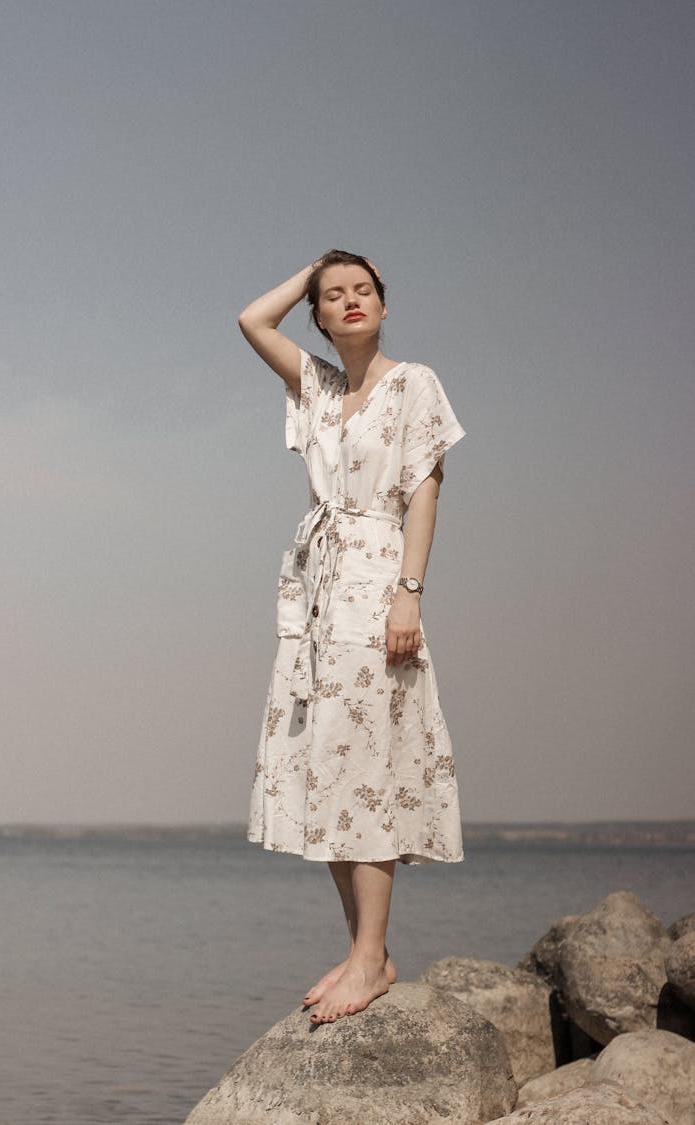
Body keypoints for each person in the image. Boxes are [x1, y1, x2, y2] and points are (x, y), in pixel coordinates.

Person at [238, 250, 467, 1025]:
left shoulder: (414, 384)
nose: (351, 301)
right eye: (334, 296)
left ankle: (371, 957)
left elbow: (426, 492)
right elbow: (250, 321)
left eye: (364, 289)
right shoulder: (319, 387)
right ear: (320, 315)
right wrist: (316, 268)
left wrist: (408, 595)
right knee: (325, 764)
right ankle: (365, 947)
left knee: (365, 762)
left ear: (384, 304)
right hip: (316, 597)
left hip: (376, 580)